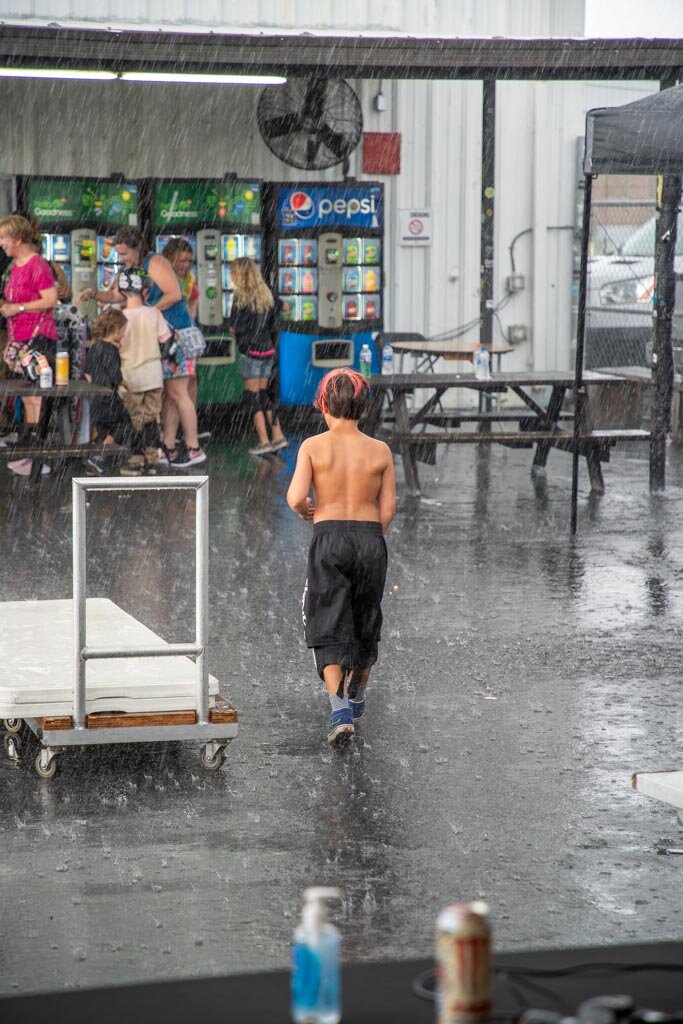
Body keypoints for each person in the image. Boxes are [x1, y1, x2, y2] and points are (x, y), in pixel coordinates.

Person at [286, 368, 396, 747]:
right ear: (362, 408)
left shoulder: (314, 446)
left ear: (323, 405)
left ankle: (339, 710)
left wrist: (309, 512)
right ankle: (359, 695)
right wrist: (368, 540)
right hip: (369, 538)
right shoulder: (380, 450)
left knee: (327, 618)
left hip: (330, 535)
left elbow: (296, 497)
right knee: (366, 618)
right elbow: (389, 508)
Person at [76, 227, 206, 468]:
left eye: (124, 254)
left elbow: (175, 294)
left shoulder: (155, 262)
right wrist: (93, 293)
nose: (122, 259)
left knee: (178, 393)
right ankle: (167, 448)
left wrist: (146, 312)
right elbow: (117, 295)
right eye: (119, 254)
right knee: (169, 396)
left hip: (176, 336)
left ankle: (193, 447)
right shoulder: (130, 270)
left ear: (136, 248)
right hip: (160, 339)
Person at [0, 213, 58, 477]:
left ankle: (37, 457)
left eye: (4, 238)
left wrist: (20, 307)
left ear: (19, 238)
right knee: (25, 395)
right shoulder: (15, 267)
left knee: (35, 398)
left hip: (38, 339)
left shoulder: (38, 265)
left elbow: (50, 300)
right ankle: (31, 452)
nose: (1, 243)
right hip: (18, 339)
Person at [229, 257, 287, 457]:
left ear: (239, 275)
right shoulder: (266, 293)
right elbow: (282, 310)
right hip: (267, 351)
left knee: (251, 397)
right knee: (264, 395)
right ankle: (278, 436)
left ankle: (264, 441)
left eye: (233, 273)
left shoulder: (240, 297)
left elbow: (235, 327)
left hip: (250, 352)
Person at [117, 266, 170, 476]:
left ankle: (134, 459)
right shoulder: (154, 313)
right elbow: (166, 341)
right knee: (151, 419)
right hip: (153, 376)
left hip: (129, 377)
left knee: (133, 419)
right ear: (145, 289)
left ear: (122, 291)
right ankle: (152, 460)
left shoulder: (118, 317)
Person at [84, 307, 129, 474]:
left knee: (102, 429)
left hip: (96, 397)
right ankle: (97, 458)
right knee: (122, 424)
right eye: (123, 330)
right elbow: (115, 375)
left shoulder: (95, 347)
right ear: (116, 330)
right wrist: (126, 385)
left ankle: (95, 460)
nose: (124, 334)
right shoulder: (112, 350)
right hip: (108, 397)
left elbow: (87, 373)